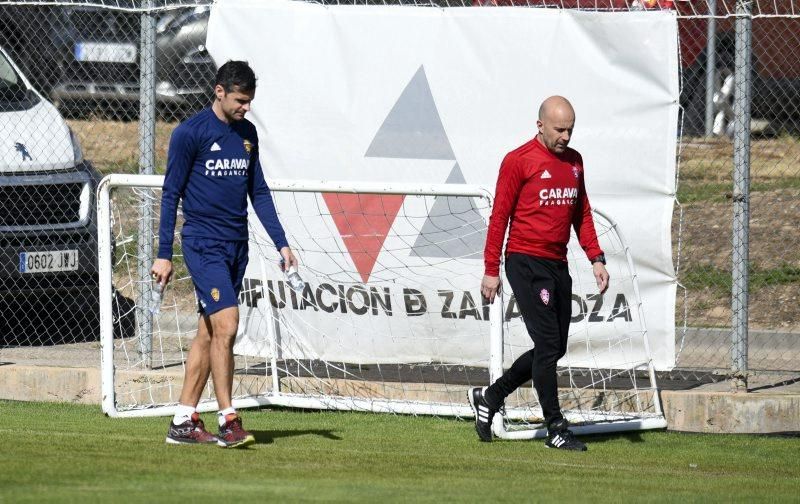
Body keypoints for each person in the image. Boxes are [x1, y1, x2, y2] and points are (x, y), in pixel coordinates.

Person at [151, 60, 297, 448]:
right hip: (203, 244)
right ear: (219, 91)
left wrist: (281, 241)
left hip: (237, 246)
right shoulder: (190, 133)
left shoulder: (247, 134)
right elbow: (170, 193)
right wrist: (163, 253)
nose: (245, 107)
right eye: (240, 100)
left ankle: (183, 421)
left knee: (209, 331)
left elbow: (259, 191)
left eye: (249, 101)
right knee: (229, 326)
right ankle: (229, 419)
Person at [468, 96, 609, 451]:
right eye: (559, 129)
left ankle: (491, 397)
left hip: (557, 263)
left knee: (554, 347)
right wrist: (491, 269)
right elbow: (499, 217)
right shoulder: (519, 161)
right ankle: (556, 427)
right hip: (525, 262)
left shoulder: (575, 162)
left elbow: (583, 213)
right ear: (540, 125)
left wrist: (596, 257)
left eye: (570, 129)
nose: (565, 136)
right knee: (547, 343)